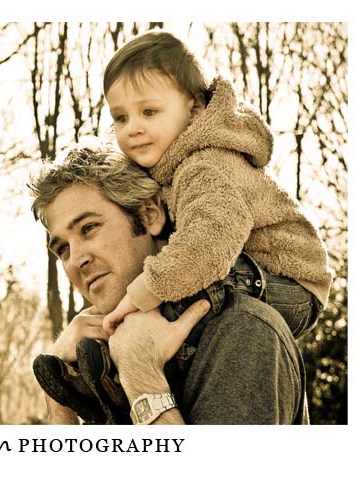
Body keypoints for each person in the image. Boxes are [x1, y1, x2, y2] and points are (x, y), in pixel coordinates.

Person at [29, 142, 311, 424]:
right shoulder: (100, 353)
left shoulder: (242, 329)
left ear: (149, 214)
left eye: (89, 228)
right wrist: (60, 392)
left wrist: (142, 376)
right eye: (63, 249)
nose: (77, 259)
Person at [100, 29, 332, 338]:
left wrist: (141, 294)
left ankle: (139, 344)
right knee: (171, 283)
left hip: (289, 280)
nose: (133, 128)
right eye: (121, 118)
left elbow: (209, 241)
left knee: (183, 283)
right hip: (254, 271)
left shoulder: (203, 165)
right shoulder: (172, 171)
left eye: (149, 112)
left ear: (194, 111)